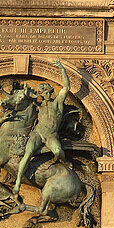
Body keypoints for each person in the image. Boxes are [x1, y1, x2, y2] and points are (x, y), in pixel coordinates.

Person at [13, 58, 70, 193]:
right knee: (27, 154)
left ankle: (61, 162)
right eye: (43, 93)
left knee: (57, 151)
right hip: (38, 133)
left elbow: (66, 88)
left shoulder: (57, 103)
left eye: (46, 91)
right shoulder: (39, 106)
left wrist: (62, 69)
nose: (46, 94)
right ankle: (17, 182)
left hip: (51, 135)